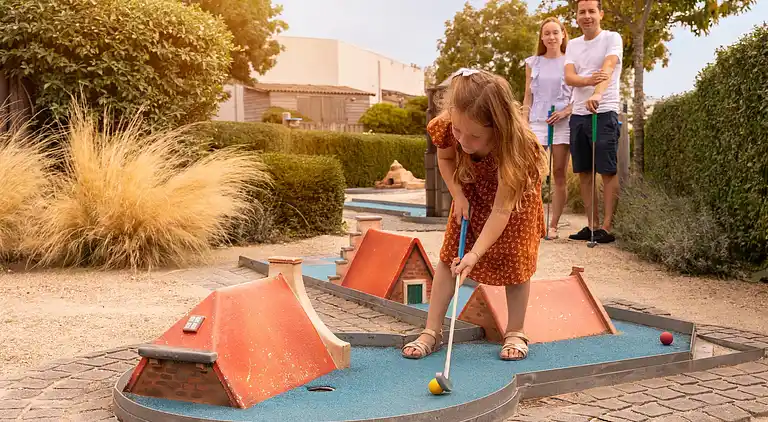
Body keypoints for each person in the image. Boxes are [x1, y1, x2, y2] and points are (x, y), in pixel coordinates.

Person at [401, 68, 547, 362]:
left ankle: (515, 330)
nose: (464, 141)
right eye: (458, 130)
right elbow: (444, 158)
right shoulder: (450, 125)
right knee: (448, 258)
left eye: (475, 136)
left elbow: (502, 209)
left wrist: (476, 254)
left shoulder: (518, 146)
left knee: (515, 262)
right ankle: (432, 330)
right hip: (471, 193)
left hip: (513, 205)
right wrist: (457, 194)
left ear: (499, 127)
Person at [563, 0, 623, 244]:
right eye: (582, 12)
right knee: (584, 172)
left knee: (607, 171)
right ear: (577, 16)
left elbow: (607, 68)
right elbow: (569, 77)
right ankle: (592, 225)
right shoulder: (574, 45)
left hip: (604, 111)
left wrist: (598, 93)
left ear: (601, 14)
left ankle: (606, 227)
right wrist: (589, 82)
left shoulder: (612, 38)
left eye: (591, 11)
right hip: (578, 114)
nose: (587, 16)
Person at [522, 16, 573, 240]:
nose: (551, 37)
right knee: (532, 173)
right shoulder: (533, 62)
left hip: (562, 122)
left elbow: (578, 96)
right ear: (542, 37)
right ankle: (532, 222)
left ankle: (552, 225)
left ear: (562, 34)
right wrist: (524, 121)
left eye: (555, 32)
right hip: (537, 122)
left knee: (559, 173)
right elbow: (527, 95)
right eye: (547, 33)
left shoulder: (572, 61)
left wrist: (564, 112)